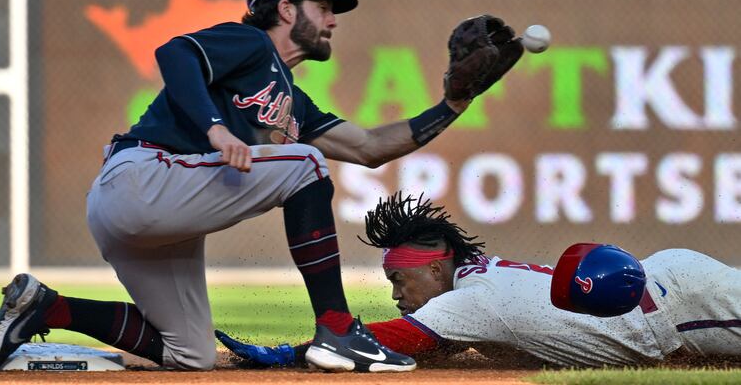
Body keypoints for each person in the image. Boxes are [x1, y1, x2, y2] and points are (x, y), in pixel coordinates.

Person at [0, 0, 523, 372]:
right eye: (323, 6)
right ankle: (336, 329)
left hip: (151, 212)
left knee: (189, 352)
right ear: (286, 8)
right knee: (305, 162)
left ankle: (45, 307)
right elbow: (174, 53)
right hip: (142, 177)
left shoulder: (293, 102)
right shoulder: (248, 43)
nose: (332, 19)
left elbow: (369, 147)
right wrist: (215, 128)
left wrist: (454, 104)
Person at [217, 192, 741, 368]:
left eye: (402, 280)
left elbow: (372, 344)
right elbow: (434, 347)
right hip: (670, 291)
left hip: (679, 308)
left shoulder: (470, 302)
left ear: (436, 268)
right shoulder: (471, 288)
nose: (397, 294)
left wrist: (294, 352)